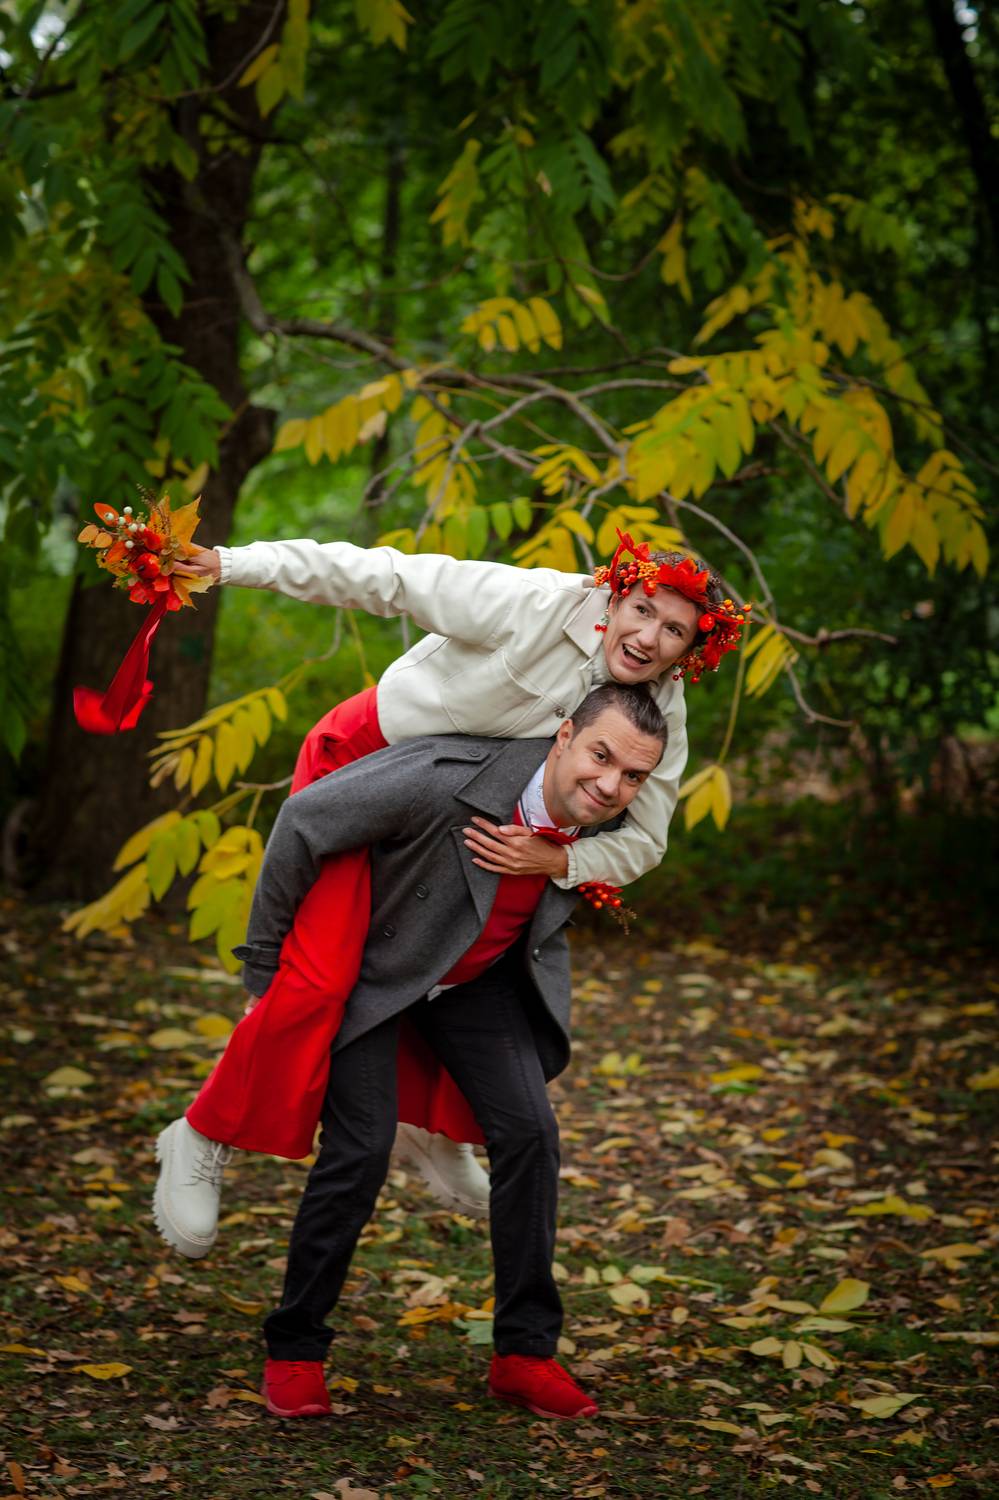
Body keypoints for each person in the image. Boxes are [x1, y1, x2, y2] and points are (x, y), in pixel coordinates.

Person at [159, 532, 744, 1242]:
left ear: (691, 650)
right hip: (366, 772)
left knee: (466, 962)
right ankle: (201, 1134)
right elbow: (384, 577)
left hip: (463, 811)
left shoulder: (663, 706)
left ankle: (432, 1127)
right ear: (616, 596)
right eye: (643, 610)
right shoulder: (531, 603)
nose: (649, 638)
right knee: (322, 975)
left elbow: (646, 841)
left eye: (674, 630)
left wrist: (557, 862)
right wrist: (229, 564)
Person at [168, 683, 670, 1421]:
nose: (610, 785)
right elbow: (303, 820)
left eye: (632, 776)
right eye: (601, 757)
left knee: (531, 1134)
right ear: (563, 736)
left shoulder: (607, 821)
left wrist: (557, 860)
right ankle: (295, 1348)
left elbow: (626, 852)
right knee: (360, 1148)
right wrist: (265, 971)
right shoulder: (442, 778)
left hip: (477, 986)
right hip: (376, 980)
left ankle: (524, 1354)